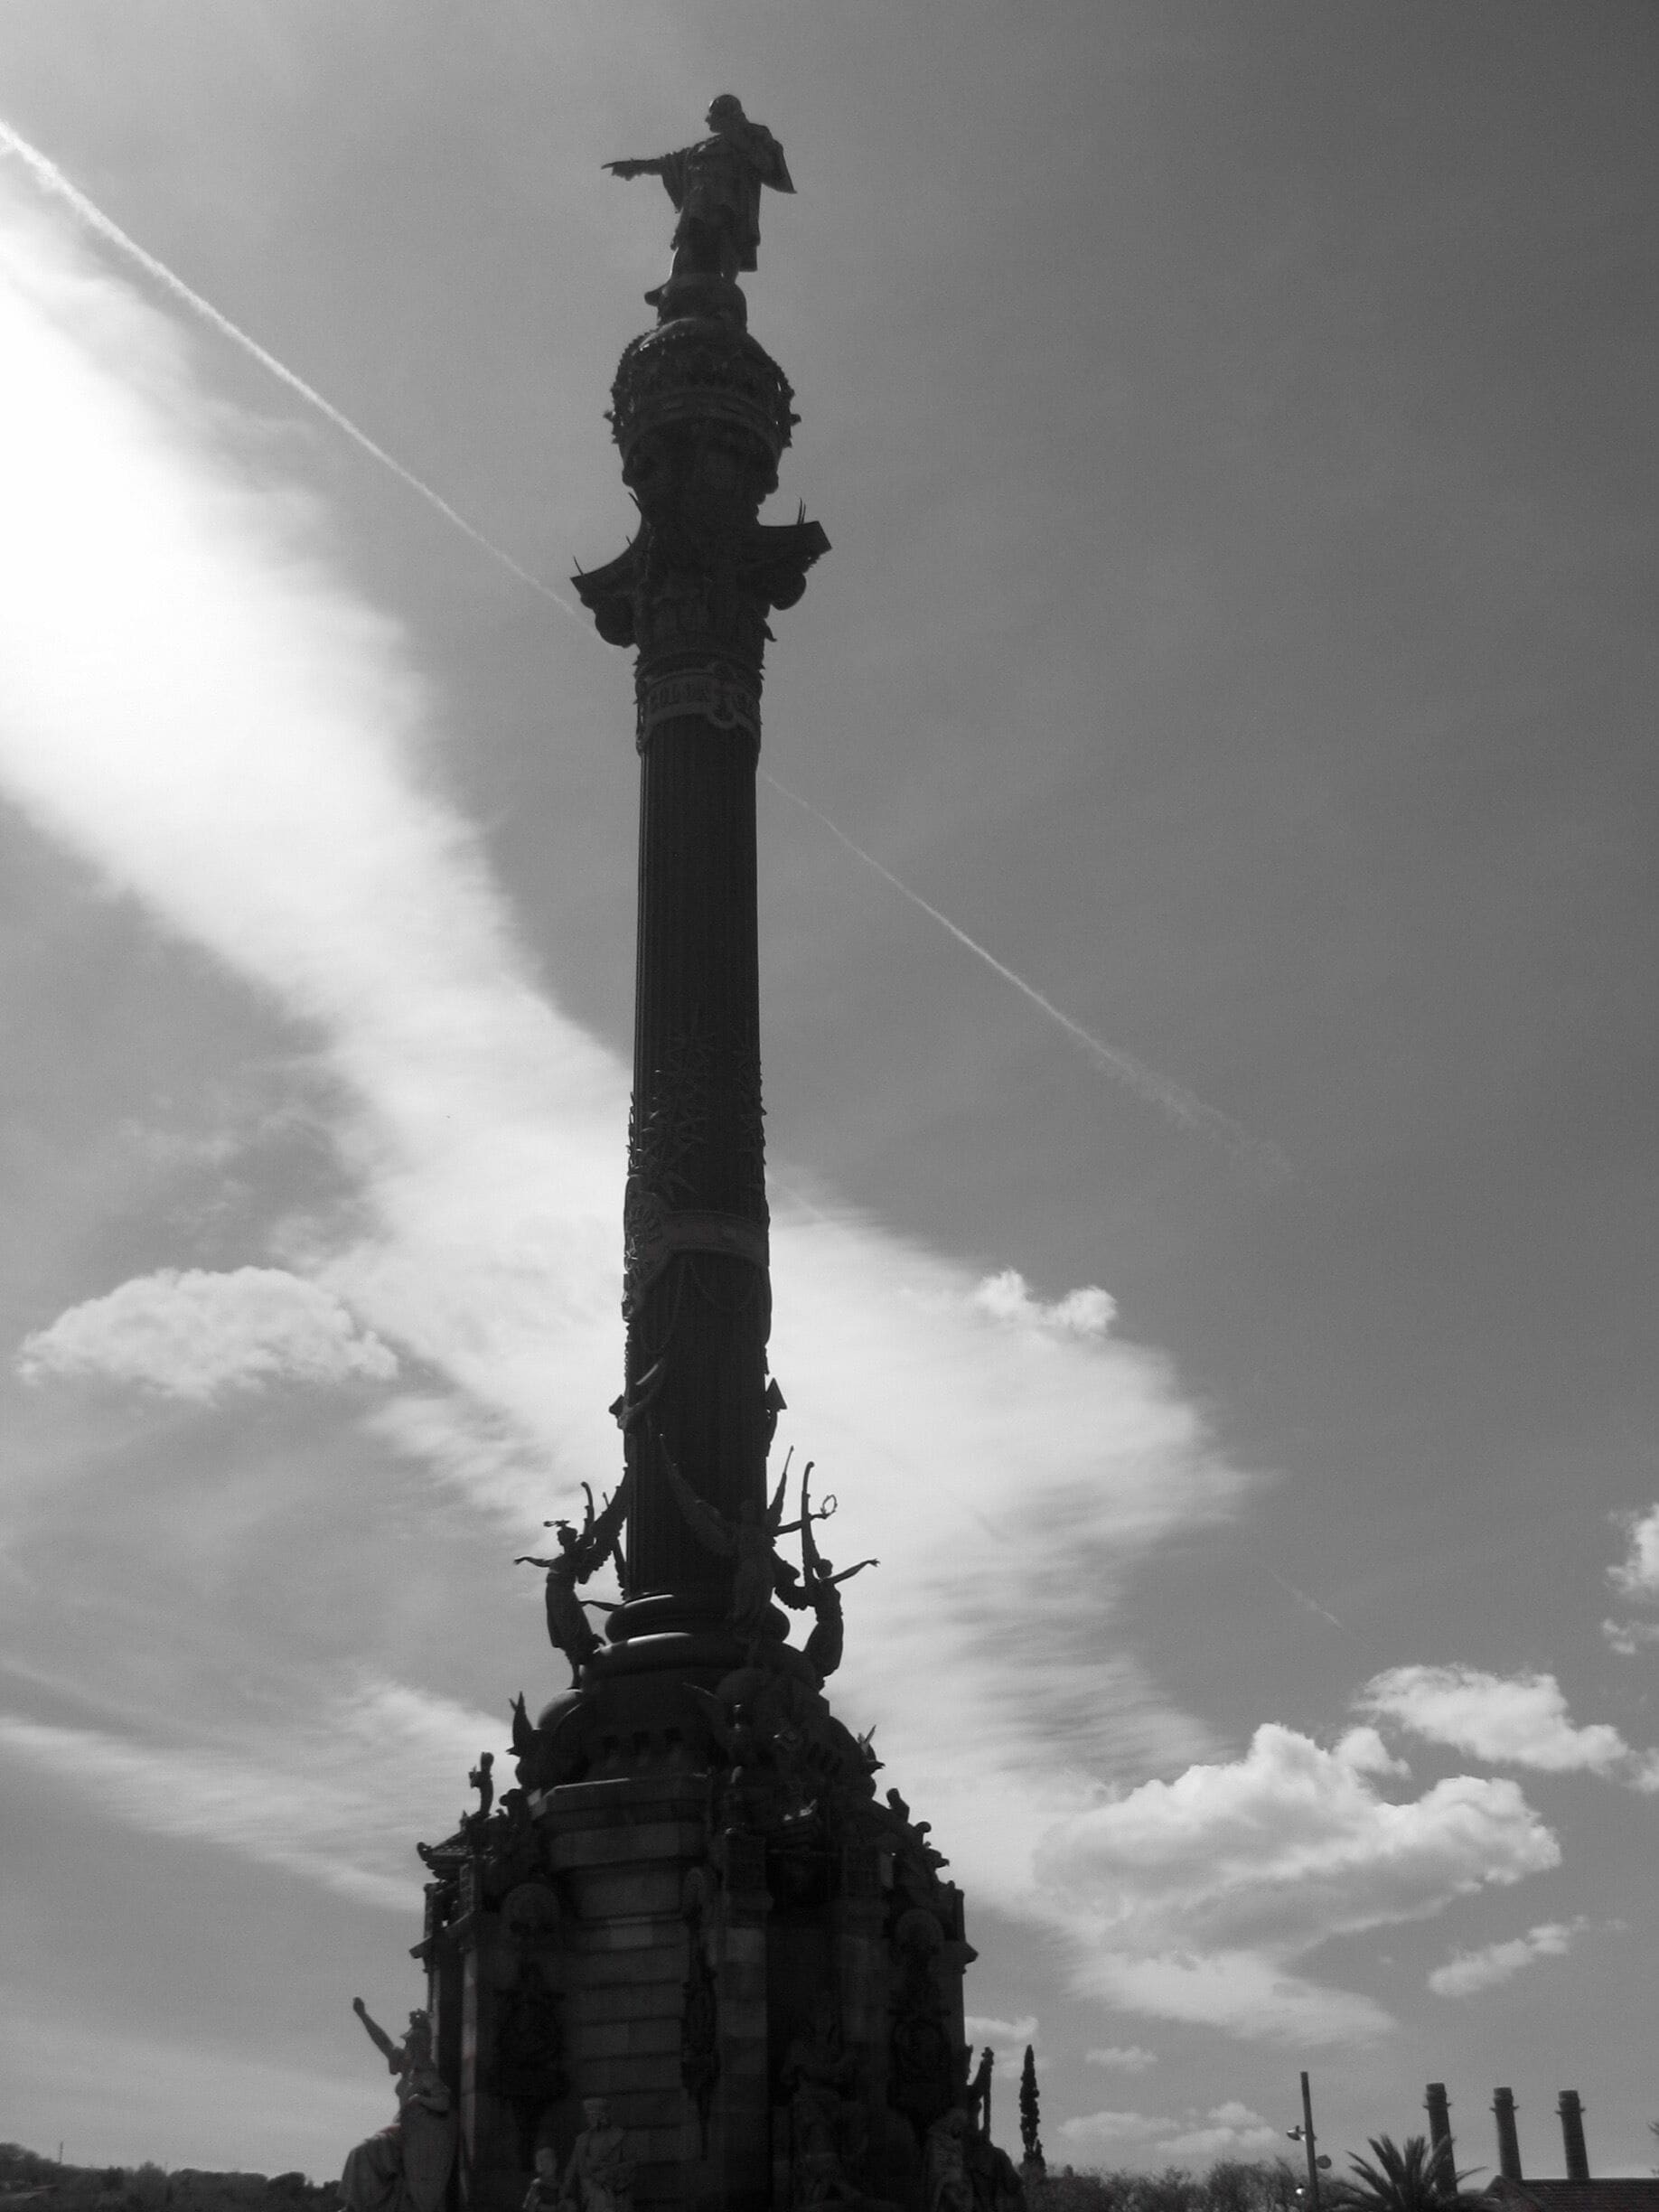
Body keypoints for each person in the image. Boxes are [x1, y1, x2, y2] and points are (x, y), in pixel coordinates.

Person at [605, 96, 793, 295]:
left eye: (711, 114)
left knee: (727, 234)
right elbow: (669, 162)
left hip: (728, 198)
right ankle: (675, 279)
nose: (707, 119)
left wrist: (741, 141)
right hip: (698, 199)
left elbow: (766, 164)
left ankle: (727, 285)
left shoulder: (751, 136)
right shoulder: (704, 147)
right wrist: (636, 166)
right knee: (687, 238)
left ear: (725, 114)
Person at [341, 2001, 455, 2212]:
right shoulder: (407, 2066)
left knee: (364, 2151)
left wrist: (420, 2100)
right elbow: (383, 2042)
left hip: (414, 2137)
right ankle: (355, 2205)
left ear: (424, 2046)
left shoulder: (426, 2073)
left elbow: (443, 2102)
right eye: (409, 2043)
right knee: (360, 2152)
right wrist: (363, 2016)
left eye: (413, 2044)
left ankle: (358, 2206)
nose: (408, 2048)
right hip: (401, 2132)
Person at [559, 2099, 634, 2212]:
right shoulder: (582, 2140)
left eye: (595, 2116)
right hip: (589, 2193)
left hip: (613, 2191)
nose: (592, 2119)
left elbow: (631, 2164)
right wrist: (566, 2186)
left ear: (604, 2116)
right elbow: (572, 2166)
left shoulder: (618, 2136)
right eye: (589, 2116)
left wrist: (609, 2173)